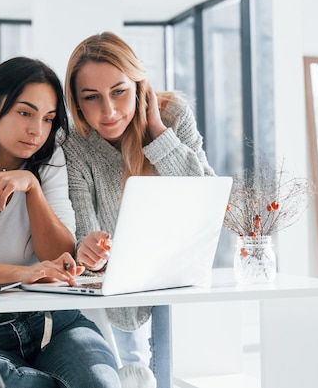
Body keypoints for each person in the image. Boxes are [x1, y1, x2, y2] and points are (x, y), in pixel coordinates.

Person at [0, 56, 121, 388]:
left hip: (56, 322)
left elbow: (62, 254)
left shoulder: (49, 162)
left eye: (47, 119)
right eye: (24, 113)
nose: (37, 131)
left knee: (101, 382)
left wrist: (31, 186)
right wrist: (22, 274)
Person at [62, 32, 216, 388]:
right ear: (77, 103)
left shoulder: (172, 115)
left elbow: (208, 198)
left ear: (138, 85)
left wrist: (159, 135)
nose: (109, 111)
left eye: (119, 91)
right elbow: (83, 233)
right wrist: (89, 250)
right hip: (116, 285)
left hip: (178, 274)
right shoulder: (74, 143)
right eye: (92, 98)